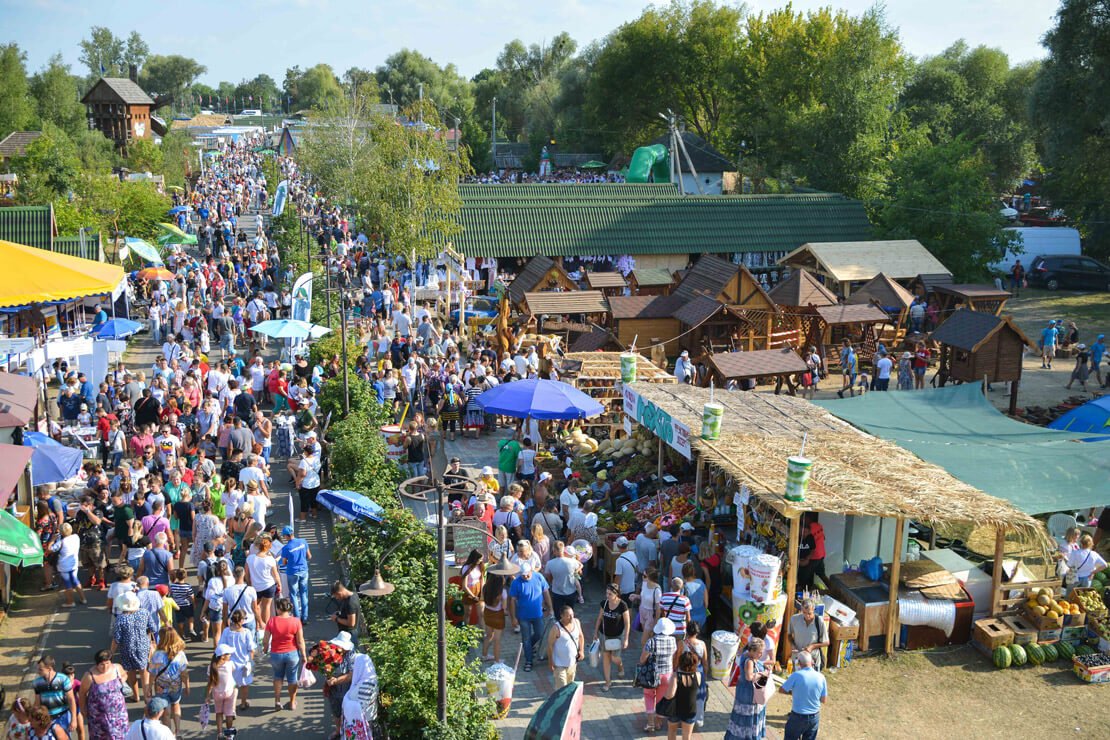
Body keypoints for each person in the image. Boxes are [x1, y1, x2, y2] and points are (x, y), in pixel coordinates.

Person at [110, 592, 158, 700]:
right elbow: (153, 628)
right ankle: (147, 696)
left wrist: (111, 652)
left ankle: (136, 696)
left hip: (127, 648)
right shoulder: (144, 613)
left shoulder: (120, 618)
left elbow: (116, 639)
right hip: (143, 646)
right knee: (144, 672)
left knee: (131, 672)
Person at [264, 597, 307, 711]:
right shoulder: (296, 621)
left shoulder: (272, 621)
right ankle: (292, 702)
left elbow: (265, 640)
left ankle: (277, 701)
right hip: (292, 653)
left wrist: (264, 649)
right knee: (292, 679)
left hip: (276, 654)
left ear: (278, 608)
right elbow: (300, 640)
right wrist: (304, 655)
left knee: (278, 676)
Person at [507, 562, 552, 672]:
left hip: (538, 614)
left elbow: (546, 592)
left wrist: (550, 607)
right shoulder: (516, 583)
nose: (525, 577)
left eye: (527, 574)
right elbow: (512, 601)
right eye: (523, 575)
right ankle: (529, 660)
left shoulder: (539, 577)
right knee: (525, 639)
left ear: (531, 571)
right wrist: (513, 618)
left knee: (539, 633)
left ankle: (529, 647)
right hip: (523, 616)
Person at [145, 629, 189, 736]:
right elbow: (184, 673)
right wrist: (187, 686)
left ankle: (168, 734)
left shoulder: (157, 655)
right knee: (176, 704)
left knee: (165, 711)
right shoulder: (181, 654)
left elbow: (152, 673)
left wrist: (149, 687)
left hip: (161, 686)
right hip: (176, 685)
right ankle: (178, 731)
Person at [638, 617, 678, 733]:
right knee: (661, 699)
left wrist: (642, 662)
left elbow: (642, 659)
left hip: (651, 675)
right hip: (667, 675)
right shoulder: (672, 641)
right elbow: (674, 656)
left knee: (649, 696)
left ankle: (650, 724)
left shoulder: (651, 641)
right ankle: (658, 722)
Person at [724, 637, 768, 740]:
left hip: (744, 692)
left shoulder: (745, 655)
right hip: (749, 695)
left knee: (740, 718)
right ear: (752, 651)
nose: (761, 655)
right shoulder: (749, 661)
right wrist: (763, 674)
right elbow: (749, 677)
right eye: (759, 652)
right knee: (747, 719)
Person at [780, 650, 827, 740]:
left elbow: (782, 690)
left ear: (799, 663)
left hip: (798, 716)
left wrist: (792, 692)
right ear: (812, 662)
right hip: (814, 716)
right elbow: (823, 700)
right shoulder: (821, 677)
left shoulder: (796, 675)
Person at [216, 609, 256, 711]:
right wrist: (251, 661)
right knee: (244, 684)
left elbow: (221, 646)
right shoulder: (246, 632)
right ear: (242, 620)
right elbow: (251, 649)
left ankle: (231, 706)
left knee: (231, 686)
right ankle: (243, 703)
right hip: (243, 664)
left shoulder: (226, 631)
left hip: (229, 664)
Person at [593, 583, 630, 691]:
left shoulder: (623, 605)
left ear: (616, 594)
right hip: (604, 635)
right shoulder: (604, 604)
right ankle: (608, 682)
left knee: (615, 658)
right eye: (606, 593)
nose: (607, 596)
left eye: (609, 594)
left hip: (617, 636)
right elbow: (599, 619)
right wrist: (595, 632)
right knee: (606, 658)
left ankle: (620, 666)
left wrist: (626, 639)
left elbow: (627, 623)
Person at [322, 632, 357, 740]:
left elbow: (351, 675)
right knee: (336, 709)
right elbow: (325, 665)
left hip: (345, 684)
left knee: (347, 710)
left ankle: (348, 734)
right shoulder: (331, 650)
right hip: (334, 684)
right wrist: (327, 674)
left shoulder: (352, 654)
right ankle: (338, 731)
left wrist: (336, 680)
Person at [32, 656, 76, 739]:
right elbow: (37, 702)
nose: (38, 672)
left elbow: (71, 699)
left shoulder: (63, 679)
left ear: (49, 668)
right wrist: (32, 717)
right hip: (46, 719)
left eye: (40, 669)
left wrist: (74, 719)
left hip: (63, 716)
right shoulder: (37, 683)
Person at [662, 650, 701, 740]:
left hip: (675, 709)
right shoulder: (698, 675)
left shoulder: (676, 676)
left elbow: (670, 695)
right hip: (690, 709)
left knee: (672, 731)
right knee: (687, 735)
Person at [340, 653, 379, 740]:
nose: (354, 668)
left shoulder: (365, 684)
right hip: (371, 717)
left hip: (365, 721)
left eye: (355, 665)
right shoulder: (371, 678)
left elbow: (360, 705)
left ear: (360, 666)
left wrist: (346, 700)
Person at [279, 526, 312, 622]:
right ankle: (305, 618)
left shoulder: (286, 548)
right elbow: (309, 556)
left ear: (286, 536)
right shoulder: (303, 541)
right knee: (304, 593)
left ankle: (297, 619)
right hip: (304, 570)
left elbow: (284, 562)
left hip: (292, 572)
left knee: (293, 595)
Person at [548, 603, 584, 689]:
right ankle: (559, 702)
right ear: (562, 616)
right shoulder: (556, 628)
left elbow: (580, 636)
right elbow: (550, 645)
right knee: (561, 687)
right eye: (568, 616)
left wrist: (581, 650)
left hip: (572, 663)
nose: (571, 617)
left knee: (569, 686)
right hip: (559, 664)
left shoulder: (576, 622)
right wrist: (551, 662)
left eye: (572, 614)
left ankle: (567, 701)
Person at [788, 598, 829, 671]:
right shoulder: (794, 619)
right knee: (797, 681)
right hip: (798, 659)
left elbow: (826, 642)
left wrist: (812, 646)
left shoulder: (819, 622)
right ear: (801, 609)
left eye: (809, 613)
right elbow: (789, 635)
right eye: (804, 612)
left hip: (812, 660)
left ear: (813, 609)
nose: (807, 616)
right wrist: (792, 645)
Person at [51, 523, 85, 609]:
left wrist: (52, 540)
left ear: (62, 533)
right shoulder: (76, 537)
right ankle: (83, 598)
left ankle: (70, 602)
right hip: (74, 564)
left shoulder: (61, 542)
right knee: (75, 580)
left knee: (68, 584)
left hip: (64, 566)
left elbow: (50, 549)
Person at [206, 646, 237, 740]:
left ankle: (219, 733)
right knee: (229, 713)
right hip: (229, 692)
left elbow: (210, 683)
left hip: (217, 693)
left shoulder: (211, 667)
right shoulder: (230, 664)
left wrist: (207, 696)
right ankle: (229, 734)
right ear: (223, 656)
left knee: (219, 713)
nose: (230, 655)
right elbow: (234, 670)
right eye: (228, 653)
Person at [482, 573, 507, 662]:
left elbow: (482, 599)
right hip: (498, 616)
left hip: (487, 613)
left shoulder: (485, 587)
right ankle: (497, 660)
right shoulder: (502, 592)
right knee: (497, 640)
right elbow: (504, 607)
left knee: (489, 636)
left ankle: (484, 655)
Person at [639, 566, 663, 647]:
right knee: (648, 638)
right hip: (642, 610)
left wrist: (655, 624)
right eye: (643, 575)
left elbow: (658, 609)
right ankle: (649, 656)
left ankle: (644, 657)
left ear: (651, 578)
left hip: (650, 614)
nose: (642, 577)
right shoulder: (644, 583)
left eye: (645, 576)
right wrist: (635, 596)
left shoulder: (657, 590)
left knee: (643, 641)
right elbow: (643, 597)